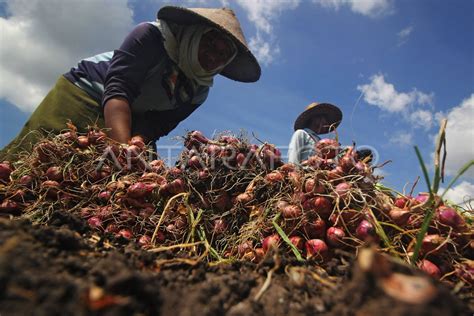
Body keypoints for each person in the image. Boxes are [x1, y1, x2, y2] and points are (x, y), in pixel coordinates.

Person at [0, 6, 261, 161]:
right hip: (87, 96)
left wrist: (137, 142)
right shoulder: (150, 35)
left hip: (134, 120)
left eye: (222, 55)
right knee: (38, 159)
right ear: (195, 35)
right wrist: (121, 151)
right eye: (210, 43)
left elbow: (160, 123)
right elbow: (118, 89)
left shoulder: (200, 90)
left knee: (138, 185)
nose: (212, 56)